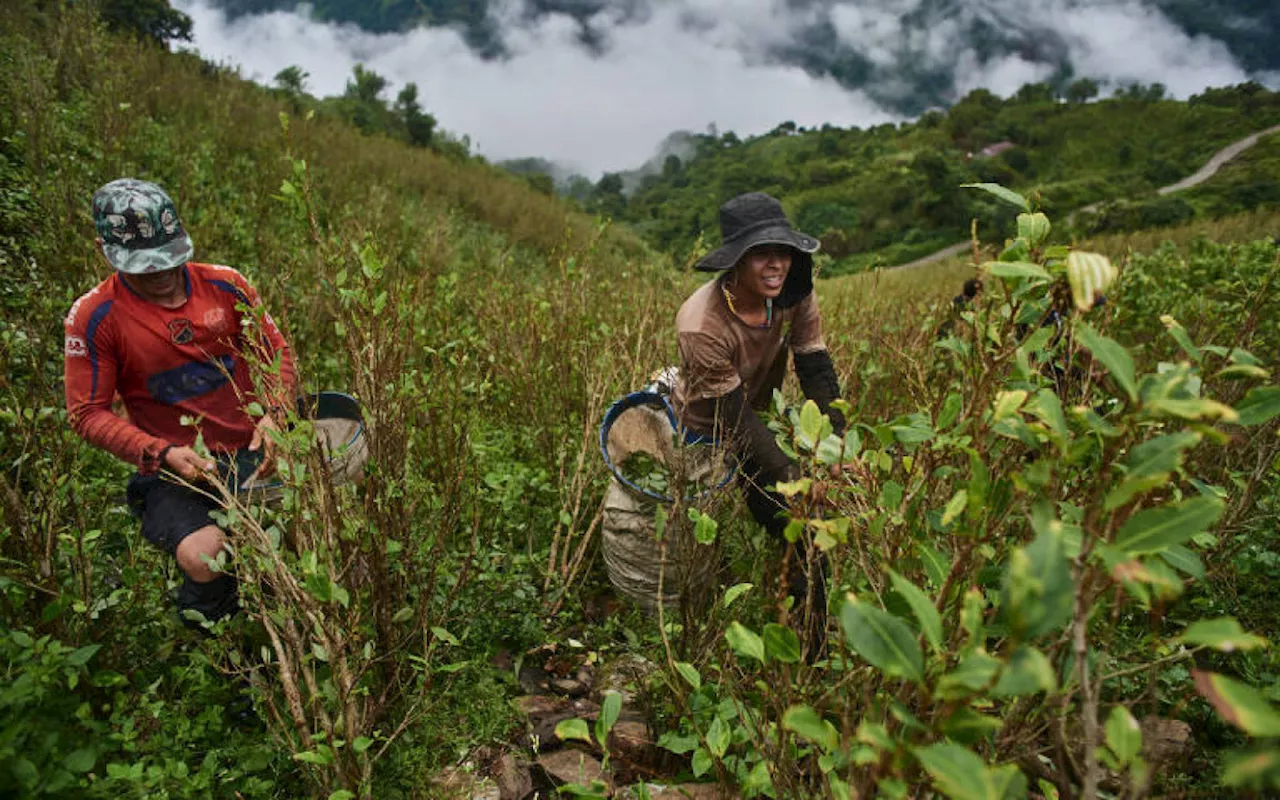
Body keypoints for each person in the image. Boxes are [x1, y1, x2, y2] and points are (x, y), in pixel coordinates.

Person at [64, 178, 295, 631]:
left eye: (169, 259)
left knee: (304, 536)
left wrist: (275, 414)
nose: (161, 275)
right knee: (206, 556)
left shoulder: (227, 287)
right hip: (175, 468)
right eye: (144, 267)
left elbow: (277, 353)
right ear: (103, 249)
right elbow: (86, 413)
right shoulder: (94, 317)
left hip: (253, 451)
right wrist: (161, 453)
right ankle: (226, 654)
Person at [672, 192, 845, 654]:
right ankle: (694, 631)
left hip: (760, 414)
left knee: (805, 526)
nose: (777, 265)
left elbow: (815, 366)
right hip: (707, 425)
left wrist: (838, 447)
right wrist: (791, 474)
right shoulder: (701, 323)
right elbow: (733, 417)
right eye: (762, 254)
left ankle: (812, 643)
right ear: (737, 263)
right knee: (694, 538)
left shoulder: (793, 293)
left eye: (782, 252)